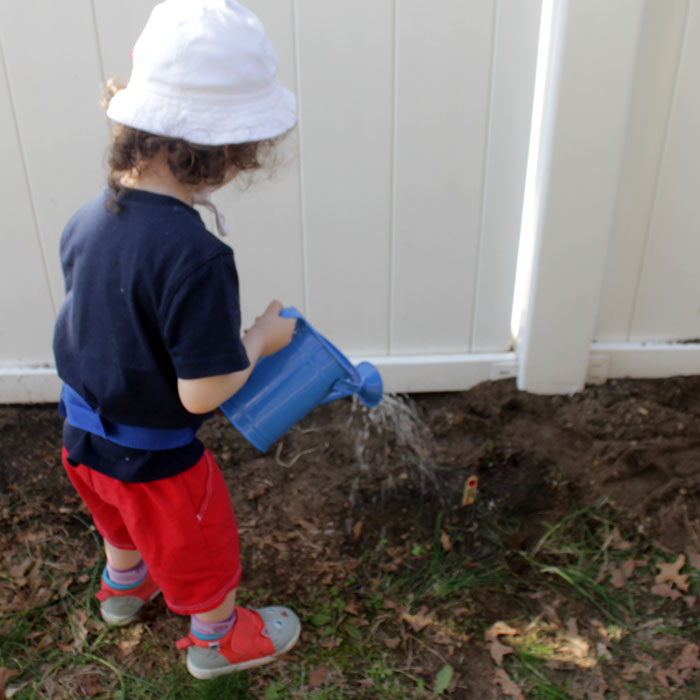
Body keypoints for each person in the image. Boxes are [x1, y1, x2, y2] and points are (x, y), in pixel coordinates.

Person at [52, 0, 301, 680]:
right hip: (155, 463)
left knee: (121, 527)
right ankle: (216, 641)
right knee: (200, 551)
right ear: (228, 153)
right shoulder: (195, 256)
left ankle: (123, 590)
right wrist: (259, 340)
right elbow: (202, 392)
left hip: (82, 442)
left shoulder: (87, 220)